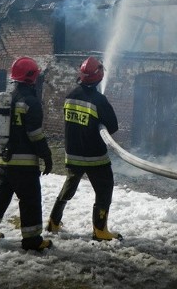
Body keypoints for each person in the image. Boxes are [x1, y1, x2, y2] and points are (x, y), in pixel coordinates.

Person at [0, 57, 54, 251]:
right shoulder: (31, 101)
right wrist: (46, 155)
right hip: (25, 163)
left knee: (0, 195)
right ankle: (32, 240)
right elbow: (34, 133)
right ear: (32, 77)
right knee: (30, 200)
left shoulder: (8, 97)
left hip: (6, 158)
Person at [46, 56, 122, 241]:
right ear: (99, 76)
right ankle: (100, 230)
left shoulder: (70, 95)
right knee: (104, 189)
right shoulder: (99, 101)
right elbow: (113, 127)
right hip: (95, 157)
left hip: (72, 154)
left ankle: (53, 221)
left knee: (69, 186)